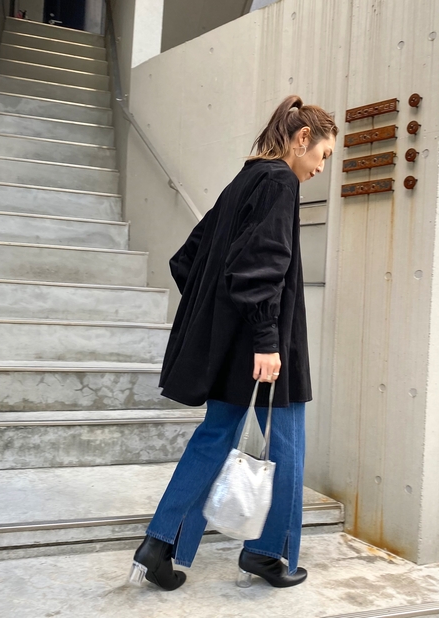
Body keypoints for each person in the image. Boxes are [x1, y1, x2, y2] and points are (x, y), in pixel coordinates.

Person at [128, 95, 338, 591]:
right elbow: (262, 264)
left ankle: (160, 544)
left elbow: (188, 259)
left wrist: (221, 324)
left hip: (233, 345)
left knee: (215, 437)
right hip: (266, 345)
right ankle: (266, 553)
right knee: (286, 445)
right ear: (302, 139)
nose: (321, 167)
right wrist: (265, 339)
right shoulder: (280, 182)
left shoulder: (244, 180)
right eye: (323, 154)